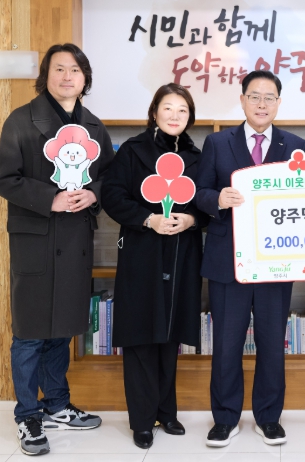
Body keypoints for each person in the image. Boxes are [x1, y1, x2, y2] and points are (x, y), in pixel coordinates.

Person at [0, 43, 114, 456]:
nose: (67, 76)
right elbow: (4, 179)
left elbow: (110, 179)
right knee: (29, 333)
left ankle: (58, 405)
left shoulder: (94, 126)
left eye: (75, 70)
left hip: (76, 239)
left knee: (61, 329)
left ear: (85, 79)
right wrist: (52, 199)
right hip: (36, 239)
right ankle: (28, 415)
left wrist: (93, 194)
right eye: (59, 69)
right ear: (45, 75)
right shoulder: (21, 120)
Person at [195, 70, 305, 447]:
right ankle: (225, 418)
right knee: (226, 344)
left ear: (279, 103)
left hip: (276, 262)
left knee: (272, 343)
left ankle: (268, 417)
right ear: (243, 100)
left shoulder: (297, 146)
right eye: (255, 97)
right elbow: (199, 192)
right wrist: (217, 199)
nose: (262, 104)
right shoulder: (217, 142)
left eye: (269, 97)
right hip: (228, 260)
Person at [101, 84, 208, 449]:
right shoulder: (133, 151)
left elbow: (207, 203)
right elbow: (112, 195)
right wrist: (149, 219)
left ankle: (167, 411)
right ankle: (142, 420)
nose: (175, 115)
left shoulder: (196, 156)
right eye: (168, 108)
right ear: (154, 112)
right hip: (142, 252)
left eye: (182, 110)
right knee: (142, 336)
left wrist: (191, 220)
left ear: (189, 117)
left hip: (182, 254)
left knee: (170, 336)